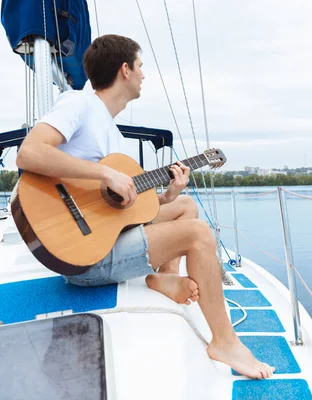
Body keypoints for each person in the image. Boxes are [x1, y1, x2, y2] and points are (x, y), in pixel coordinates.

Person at [16, 34, 275, 380]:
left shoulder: (113, 134)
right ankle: (224, 341)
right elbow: (29, 153)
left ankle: (165, 280)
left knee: (185, 208)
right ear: (125, 70)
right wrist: (105, 173)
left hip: (103, 236)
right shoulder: (77, 104)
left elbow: (129, 209)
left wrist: (167, 194)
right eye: (140, 67)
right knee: (198, 234)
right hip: (83, 257)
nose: (144, 76)